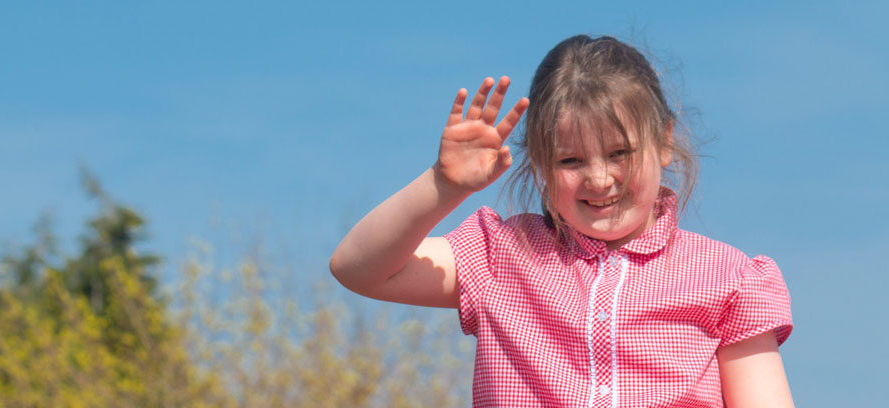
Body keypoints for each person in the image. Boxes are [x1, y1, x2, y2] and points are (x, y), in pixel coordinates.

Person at [329, 34, 793, 407]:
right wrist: (443, 186)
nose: (599, 178)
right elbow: (357, 268)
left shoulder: (729, 279)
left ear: (664, 140)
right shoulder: (501, 256)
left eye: (619, 153)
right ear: (539, 164)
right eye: (570, 160)